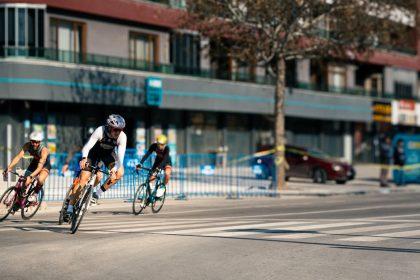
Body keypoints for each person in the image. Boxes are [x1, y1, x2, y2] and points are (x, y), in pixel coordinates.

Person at [64, 114, 127, 221]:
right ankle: (69, 208)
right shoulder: (100, 130)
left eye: (120, 130)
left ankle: (96, 195)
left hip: (107, 155)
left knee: (119, 173)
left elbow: (120, 159)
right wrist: (84, 158)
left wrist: (114, 169)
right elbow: (87, 147)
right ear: (109, 127)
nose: (118, 132)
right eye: (116, 129)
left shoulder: (122, 136)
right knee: (84, 179)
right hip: (93, 153)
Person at [3, 131, 51, 209]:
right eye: (32, 141)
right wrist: (9, 167)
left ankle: (35, 194)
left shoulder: (44, 150)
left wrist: (31, 176)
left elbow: (39, 168)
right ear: (30, 141)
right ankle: (20, 202)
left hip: (44, 165)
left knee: (40, 179)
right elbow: (18, 157)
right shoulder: (27, 145)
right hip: (35, 162)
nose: (34, 144)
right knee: (25, 182)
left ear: (40, 142)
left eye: (37, 142)